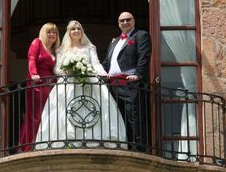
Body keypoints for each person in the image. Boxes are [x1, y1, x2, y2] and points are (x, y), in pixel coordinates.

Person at [35, 20, 126, 149]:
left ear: (82, 31)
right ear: (69, 32)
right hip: (68, 85)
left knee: (95, 107)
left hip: (88, 82)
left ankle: (93, 139)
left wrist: (103, 74)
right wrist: (71, 68)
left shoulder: (89, 47)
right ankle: (67, 140)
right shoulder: (61, 49)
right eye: (73, 29)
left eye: (78, 29)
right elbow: (57, 70)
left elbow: (96, 64)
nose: (76, 31)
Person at [102, 11, 152, 151]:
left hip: (129, 84)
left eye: (128, 19)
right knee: (117, 117)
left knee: (134, 117)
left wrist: (139, 75)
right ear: (118, 24)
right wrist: (100, 73)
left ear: (134, 21)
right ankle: (124, 147)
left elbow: (144, 56)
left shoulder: (141, 35)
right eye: (121, 20)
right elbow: (107, 62)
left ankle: (139, 150)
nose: (125, 22)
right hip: (113, 85)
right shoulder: (115, 40)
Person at [18, 22, 60, 152]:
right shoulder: (37, 43)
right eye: (49, 32)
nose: (52, 34)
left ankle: (42, 143)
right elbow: (31, 58)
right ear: (43, 33)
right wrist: (34, 74)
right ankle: (27, 146)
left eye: (54, 32)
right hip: (37, 83)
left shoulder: (54, 50)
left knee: (48, 115)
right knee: (35, 116)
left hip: (50, 85)